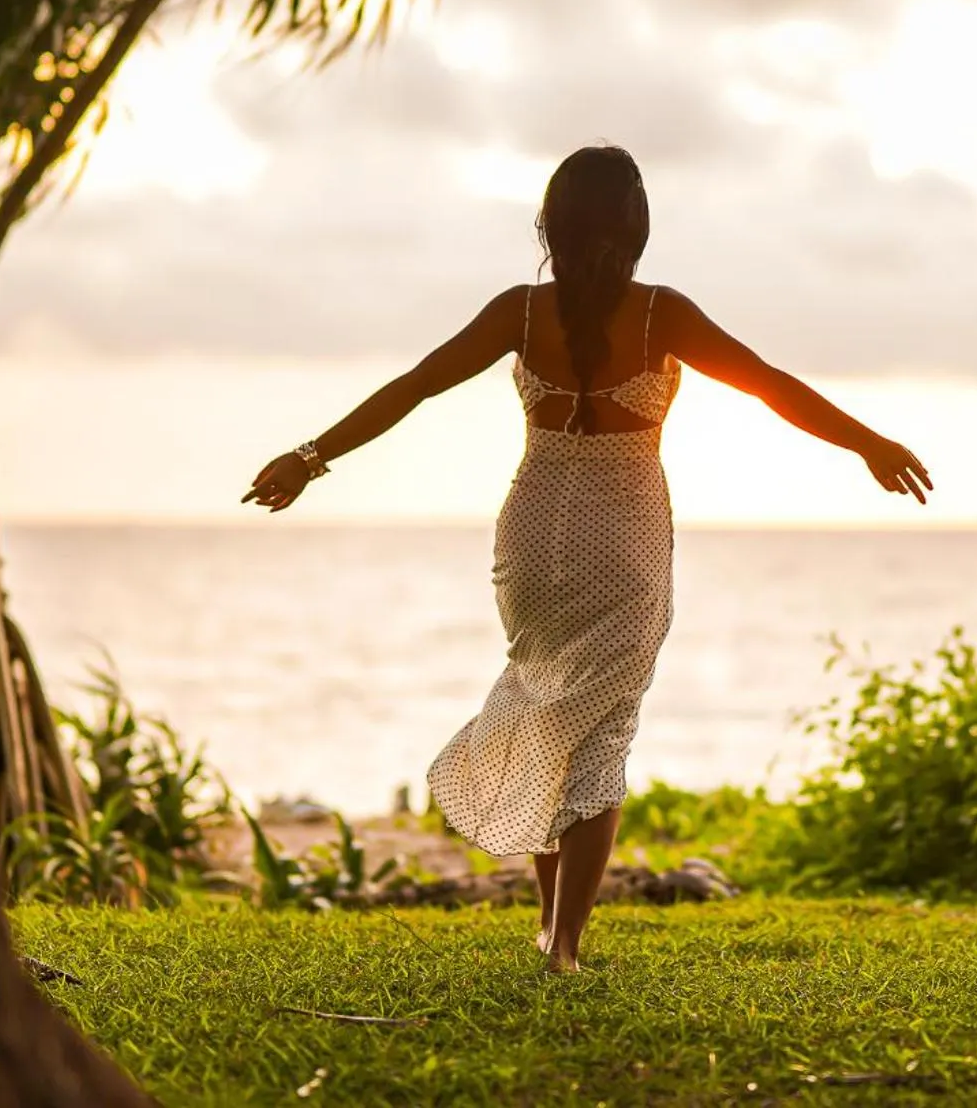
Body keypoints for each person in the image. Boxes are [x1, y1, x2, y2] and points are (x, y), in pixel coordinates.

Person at [243, 144, 931, 971]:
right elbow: (768, 383)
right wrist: (869, 443)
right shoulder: (657, 314)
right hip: (626, 545)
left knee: (545, 714)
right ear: (636, 224)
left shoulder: (521, 312)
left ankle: (548, 920)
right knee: (602, 733)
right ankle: (563, 941)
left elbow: (417, 382)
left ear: (552, 222)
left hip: (532, 540)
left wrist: (309, 458)